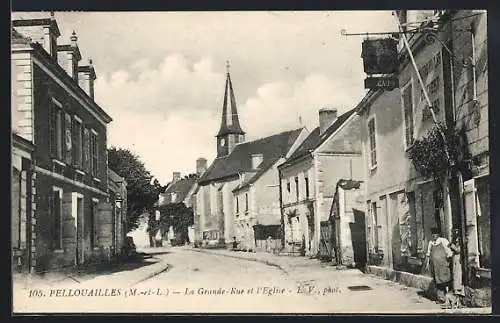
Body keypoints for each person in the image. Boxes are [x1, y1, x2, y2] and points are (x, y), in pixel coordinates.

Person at [425, 228, 453, 303]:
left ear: (438, 234)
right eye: (433, 234)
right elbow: (428, 253)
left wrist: (448, 260)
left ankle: (449, 297)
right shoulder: (431, 243)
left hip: (443, 265)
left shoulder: (443, 241)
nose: (434, 236)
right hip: (435, 266)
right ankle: (441, 298)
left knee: (445, 280)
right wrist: (428, 263)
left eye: (436, 234)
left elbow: (449, 252)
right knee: (437, 280)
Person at [449, 229, 465, 297]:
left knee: (458, 272)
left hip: (459, 258)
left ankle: (459, 288)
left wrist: (452, 246)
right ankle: (456, 289)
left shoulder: (460, 240)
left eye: (457, 231)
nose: (456, 232)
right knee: (455, 272)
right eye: (454, 231)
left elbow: (458, 250)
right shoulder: (455, 239)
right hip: (455, 257)